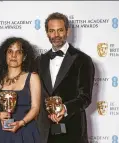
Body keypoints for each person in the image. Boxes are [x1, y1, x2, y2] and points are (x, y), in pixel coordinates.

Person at [36, 12, 95, 143]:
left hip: (72, 131)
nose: (56, 35)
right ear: (47, 33)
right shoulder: (39, 61)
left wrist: (65, 108)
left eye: (60, 30)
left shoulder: (83, 60)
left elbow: (85, 97)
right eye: (52, 31)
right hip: (44, 132)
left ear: (67, 31)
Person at [0, 37, 41, 143]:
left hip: (25, 132)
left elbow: (35, 108)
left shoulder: (32, 77)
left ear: (24, 56)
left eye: (18, 52)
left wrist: (21, 122)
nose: (13, 56)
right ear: (5, 54)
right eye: (10, 51)